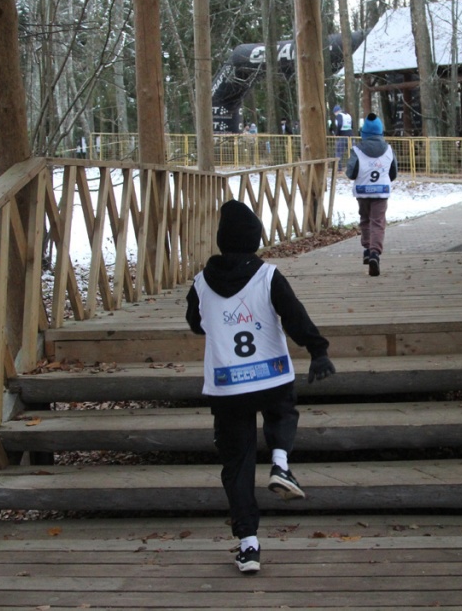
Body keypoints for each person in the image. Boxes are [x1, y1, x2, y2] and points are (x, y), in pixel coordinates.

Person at [185, 200, 336, 574]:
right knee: (283, 411)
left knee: (237, 463)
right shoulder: (268, 276)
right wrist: (317, 351)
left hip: (226, 385)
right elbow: (294, 315)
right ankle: (281, 464)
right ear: (255, 240)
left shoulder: (201, 283)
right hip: (271, 375)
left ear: (222, 240)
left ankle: (248, 544)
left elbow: (196, 324)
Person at [345, 113, 397, 276]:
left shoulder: (357, 150)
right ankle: (375, 253)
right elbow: (393, 173)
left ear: (364, 133)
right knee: (378, 222)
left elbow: (351, 173)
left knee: (365, 219)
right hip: (381, 191)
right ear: (381, 132)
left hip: (362, 191)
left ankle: (367, 248)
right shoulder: (389, 150)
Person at [332, 104, 353, 170]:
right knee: (352, 152)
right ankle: (353, 167)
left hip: (342, 135)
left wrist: (337, 134)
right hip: (350, 135)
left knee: (339, 152)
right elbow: (352, 125)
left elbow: (340, 124)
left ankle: (339, 168)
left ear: (336, 112)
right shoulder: (348, 115)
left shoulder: (339, 115)